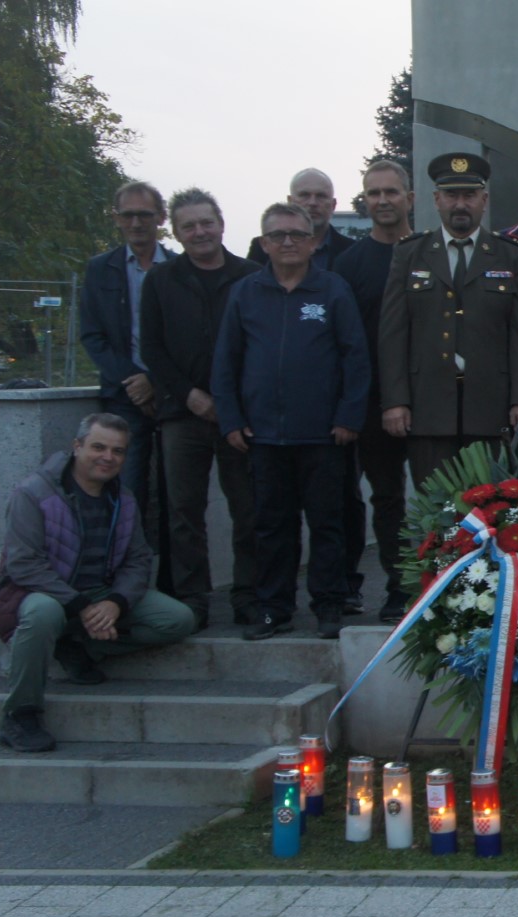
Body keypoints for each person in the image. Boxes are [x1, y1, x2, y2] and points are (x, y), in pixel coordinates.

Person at [0, 415, 197, 752]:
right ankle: (20, 714)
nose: (108, 457)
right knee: (43, 616)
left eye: (118, 451)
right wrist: (80, 605)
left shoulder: (124, 499)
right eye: (98, 447)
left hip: (100, 592)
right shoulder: (33, 493)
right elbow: (23, 564)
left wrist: (116, 602)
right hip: (41, 592)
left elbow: (138, 559)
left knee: (177, 619)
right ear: (77, 447)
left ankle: (81, 647)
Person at [212, 202, 369, 641]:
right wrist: (231, 419)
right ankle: (274, 608)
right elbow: (226, 362)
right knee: (272, 526)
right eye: (278, 235)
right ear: (264, 243)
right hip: (262, 435)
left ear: (314, 242)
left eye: (297, 235)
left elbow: (356, 359)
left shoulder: (333, 290)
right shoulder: (246, 293)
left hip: (324, 434)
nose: (287, 242)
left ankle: (329, 604)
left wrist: (348, 416)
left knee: (328, 523)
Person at [377, 152, 518, 483]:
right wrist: (395, 402)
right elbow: (393, 334)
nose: (460, 204)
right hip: (427, 408)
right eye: (451, 195)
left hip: (492, 407)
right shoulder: (410, 254)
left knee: (493, 516)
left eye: (469, 195)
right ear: (437, 200)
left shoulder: (511, 254)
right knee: (435, 517)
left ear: (484, 200)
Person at [140, 188, 258, 631]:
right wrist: (188, 393)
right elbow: (151, 346)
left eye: (206, 222)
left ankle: (249, 595)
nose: (199, 232)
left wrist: (230, 403)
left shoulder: (250, 276)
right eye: (188, 225)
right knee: (183, 511)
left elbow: (260, 343)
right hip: (180, 413)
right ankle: (193, 599)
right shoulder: (161, 279)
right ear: (175, 231)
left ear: (221, 223)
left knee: (248, 508)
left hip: (240, 416)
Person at [331, 159, 416, 623]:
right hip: (372, 404)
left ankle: (443, 583)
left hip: (431, 400)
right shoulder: (350, 264)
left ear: (410, 198)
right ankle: (399, 588)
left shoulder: (430, 253)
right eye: (373, 193)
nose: (383, 200)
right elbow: (345, 342)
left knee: (444, 497)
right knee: (386, 499)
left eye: (391, 192)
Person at [80, 180, 174, 530]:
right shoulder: (100, 269)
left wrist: (156, 381)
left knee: (177, 494)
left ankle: (174, 581)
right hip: (122, 398)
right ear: (116, 218)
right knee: (126, 488)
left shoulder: (179, 269)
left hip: (173, 394)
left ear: (161, 217)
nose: (136, 223)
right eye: (128, 215)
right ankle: (122, 573)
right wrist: (134, 382)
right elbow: (93, 335)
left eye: (144, 215)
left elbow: (191, 339)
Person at [247, 168, 356, 271]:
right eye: (304, 195)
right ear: (290, 201)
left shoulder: (352, 251)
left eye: (321, 196)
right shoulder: (262, 248)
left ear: (333, 205)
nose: (312, 203)